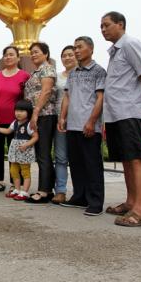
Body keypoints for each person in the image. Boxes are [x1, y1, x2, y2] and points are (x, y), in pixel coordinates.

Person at [101, 11, 141, 227]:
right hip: (116, 113)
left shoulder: (131, 44)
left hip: (130, 111)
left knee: (135, 159)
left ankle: (140, 210)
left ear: (120, 24)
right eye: (101, 26)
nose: (103, 29)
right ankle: (131, 202)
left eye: (106, 25)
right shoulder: (115, 51)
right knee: (125, 159)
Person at [58, 37, 107, 216]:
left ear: (91, 49)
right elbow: (67, 97)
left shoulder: (98, 71)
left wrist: (92, 121)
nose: (77, 51)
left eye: (80, 47)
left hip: (89, 126)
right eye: (75, 47)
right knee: (76, 163)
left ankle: (95, 201)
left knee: (92, 165)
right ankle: (80, 197)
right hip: (73, 124)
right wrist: (62, 117)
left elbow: (100, 98)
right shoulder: (73, 73)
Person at [0, 45, 30, 193]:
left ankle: (15, 183)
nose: (8, 57)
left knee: (15, 153)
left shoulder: (24, 76)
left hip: (16, 122)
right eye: (6, 55)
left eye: (11, 55)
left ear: (18, 58)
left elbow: (26, 99)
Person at [23, 42, 57, 204]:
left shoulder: (47, 69)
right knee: (41, 153)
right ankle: (48, 188)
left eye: (37, 52)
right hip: (37, 116)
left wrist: (35, 113)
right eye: (32, 53)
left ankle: (44, 191)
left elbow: (46, 91)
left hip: (44, 115)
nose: (33, 55)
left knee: (43, 153)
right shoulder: (36, 71)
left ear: (46, 54)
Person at [0, 100, 38, 200]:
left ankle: (25, 192)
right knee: (13, 170)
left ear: (28, 112)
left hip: (25, 151)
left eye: (22, 111)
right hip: (15, 151)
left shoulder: (29, 124)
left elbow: (35, 137)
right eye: (17, 110)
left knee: (25, 171)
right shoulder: (15, 123)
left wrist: (27, 144)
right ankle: (17, 189)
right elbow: (8, 131)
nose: (18, 113)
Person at [52, 45, 77, 204]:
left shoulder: (81, 74)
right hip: (59, 120)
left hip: (78, 120)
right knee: (61, 157)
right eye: (64, 55)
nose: (67, 58)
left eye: (70, 55)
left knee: (78, 158)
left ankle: (80, 191)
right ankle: (60, 190)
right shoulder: (57, 76)